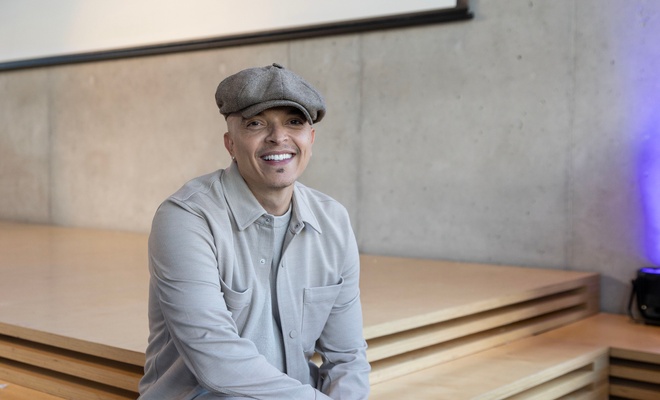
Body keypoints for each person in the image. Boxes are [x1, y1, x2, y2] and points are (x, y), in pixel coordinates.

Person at [138, 63, 371, 399]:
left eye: (294, 122)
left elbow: (348, 357)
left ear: (311, 139)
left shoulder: (333, 221)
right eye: (256, 124)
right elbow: (217, 360)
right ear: (230, 143)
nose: (279, 137)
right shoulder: (186, 218)